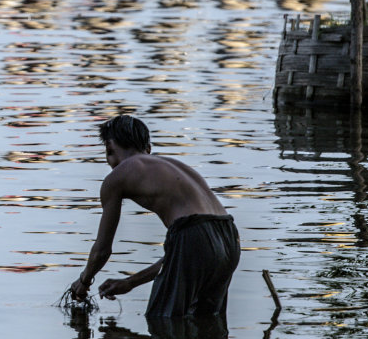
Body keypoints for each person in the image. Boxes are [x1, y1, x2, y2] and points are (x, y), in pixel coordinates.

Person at [66, 116, 240, 318]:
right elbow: (180, 255)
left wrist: (84, 281)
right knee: (207, 322)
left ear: (110, 148)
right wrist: (130, 282)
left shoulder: (117, 177)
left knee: (163, 323)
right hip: (230, 237)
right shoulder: (175, 166)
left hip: (195, 236)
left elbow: (102, 249)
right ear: (147, 148)